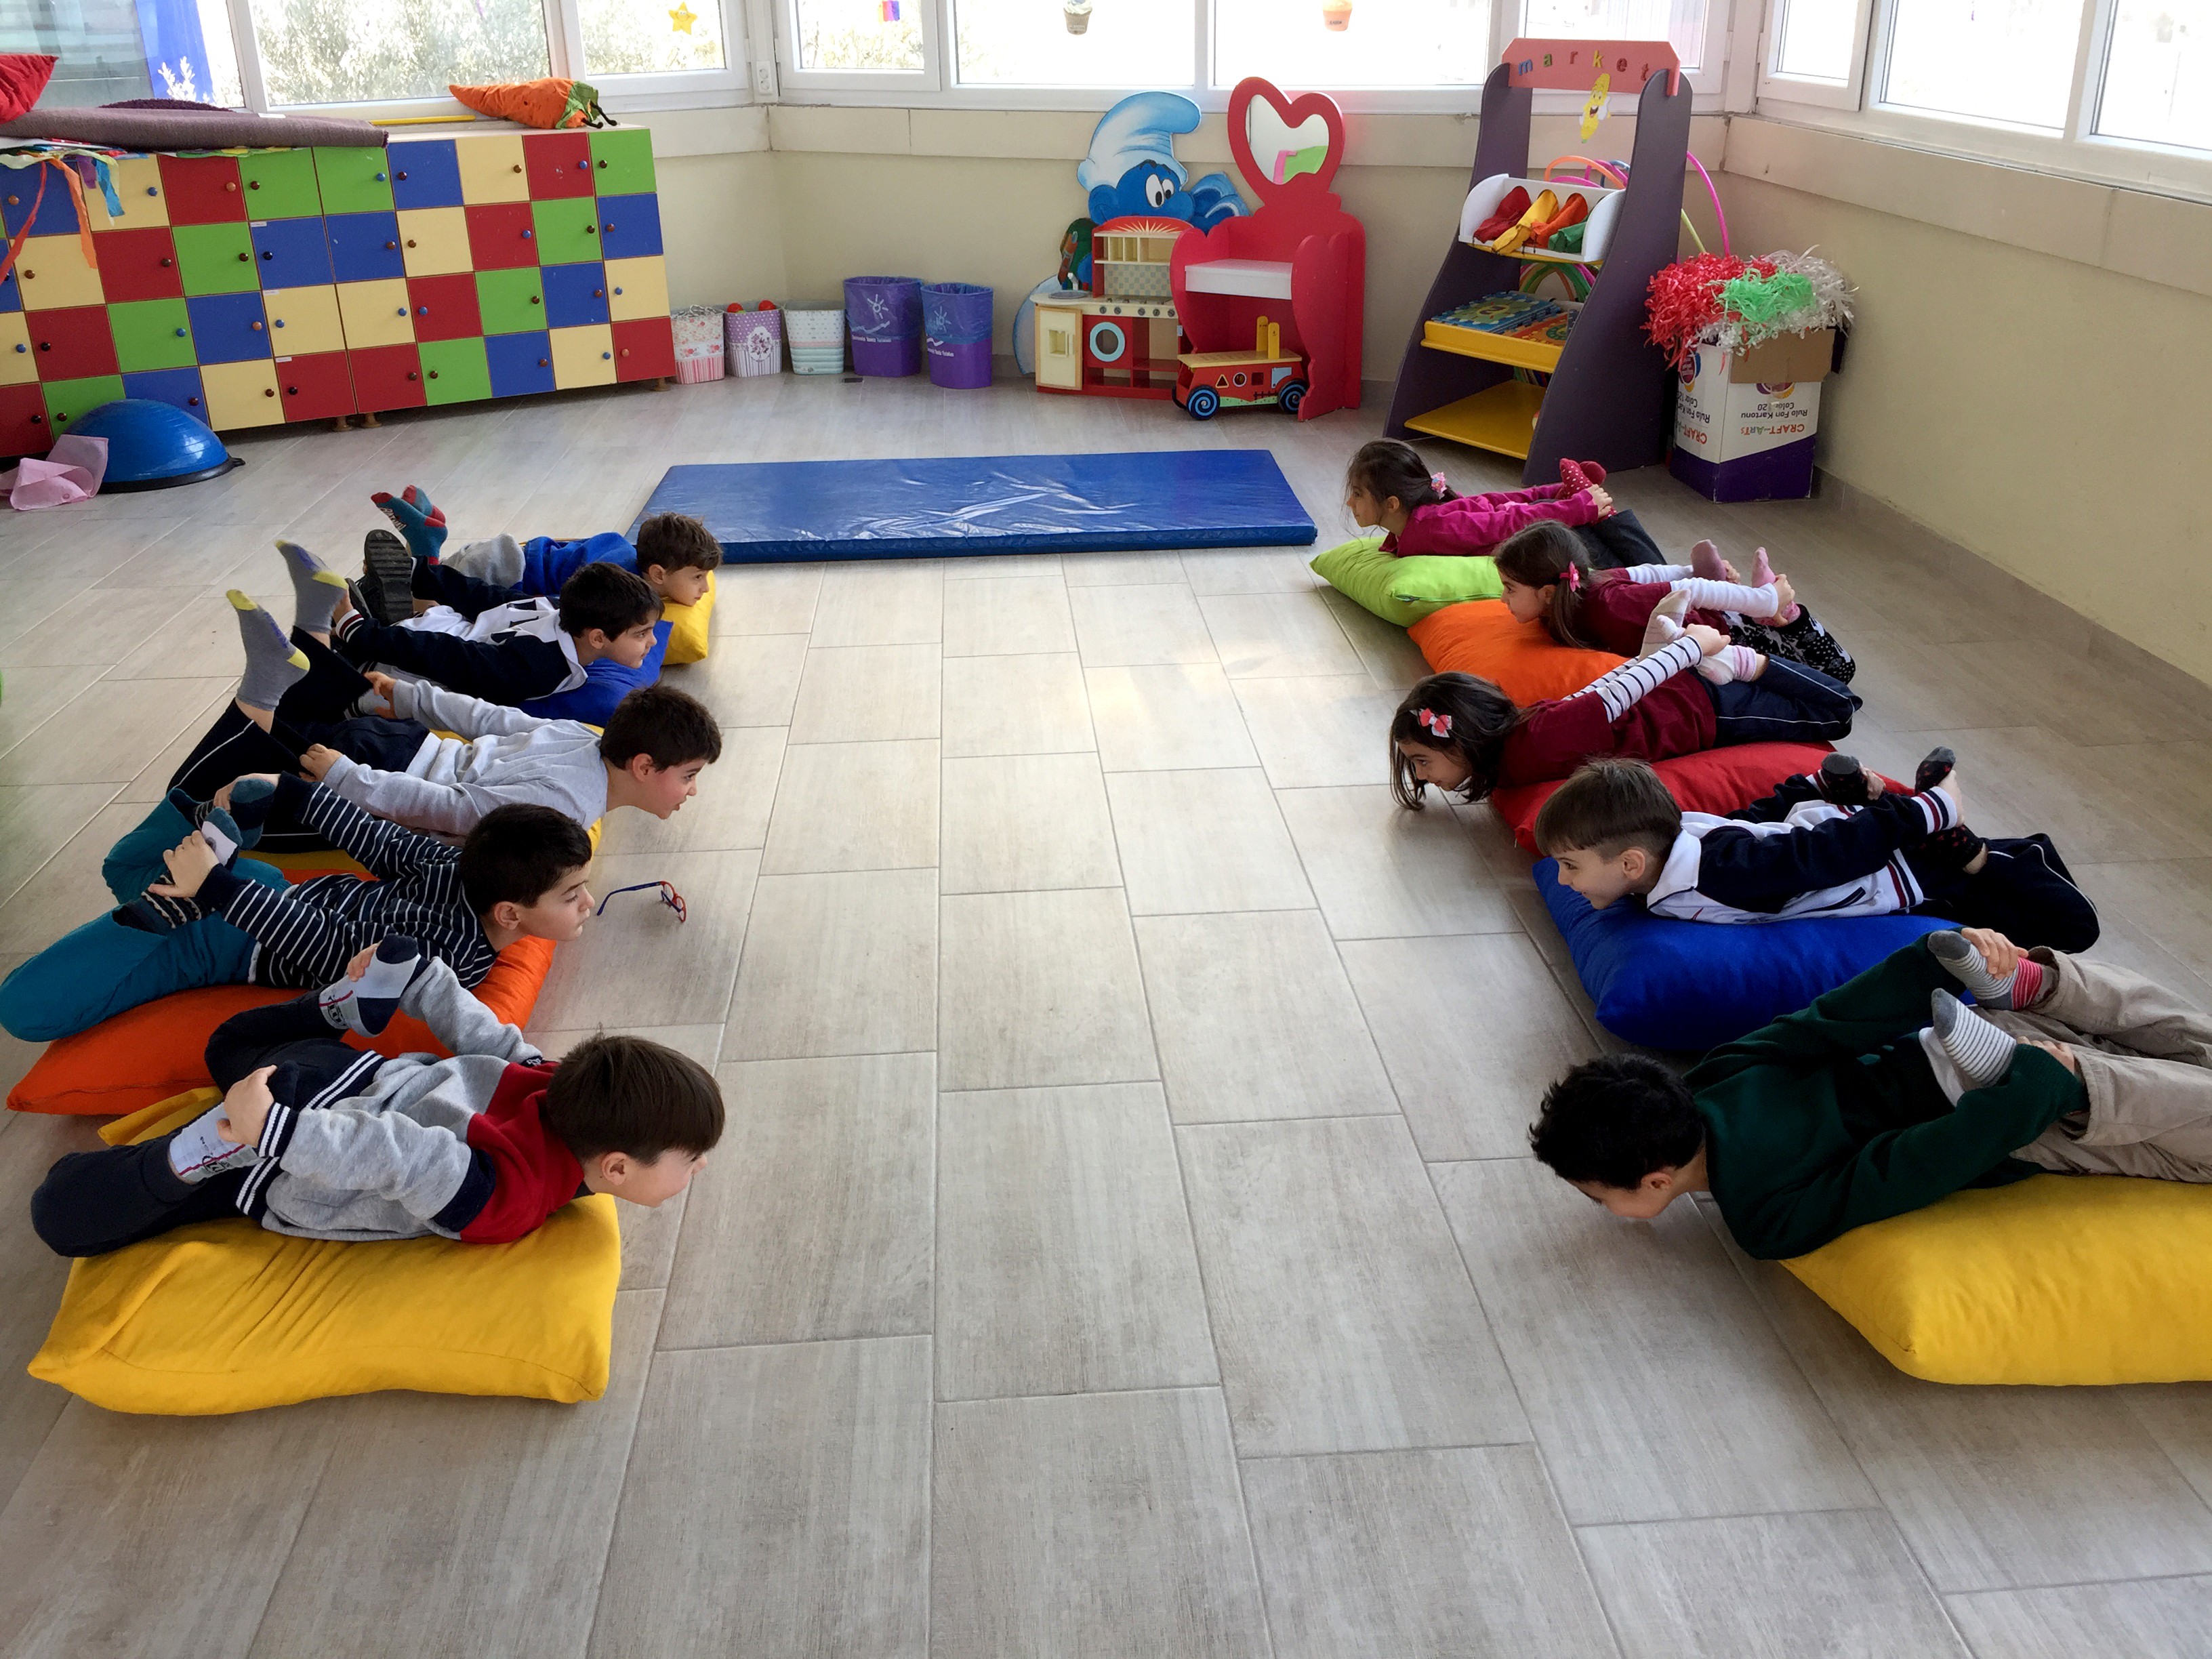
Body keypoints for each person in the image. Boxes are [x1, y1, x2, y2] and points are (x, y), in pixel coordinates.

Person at [1528, 928, 2212, 1260]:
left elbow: (1902, 1168)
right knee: (2188, 1037)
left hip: (2023, 1108)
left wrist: (2027, 1095)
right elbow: (1826, 1024)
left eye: (1601, 1196)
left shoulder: (1764, 1217)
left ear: (1655, 1180)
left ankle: (2071, 1077)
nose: (1605, 1208)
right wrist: (1927, 963)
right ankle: (2044, 988)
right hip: (1941, 1039)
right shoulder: (1713, 1077)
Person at [28, 939, 722, 1257]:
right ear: (617, 1168)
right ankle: (193, 1157)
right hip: (288, 1150)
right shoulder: (510, 1196)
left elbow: (486, 1033)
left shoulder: (560, 1081)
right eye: (689, 1160)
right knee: (66, 1218)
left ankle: (337, 1009)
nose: (698, 1169)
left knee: (229, 1046)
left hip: (338, 1069)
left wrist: (422, 979)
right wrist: (273, 1131)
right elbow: (397, 1155)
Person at [0, 777, 594, 1042]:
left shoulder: (459, 865)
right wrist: (216, 889)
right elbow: (327, 942)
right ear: (509, 914)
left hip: (262, 889)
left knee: (121, 868)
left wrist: (291, 793)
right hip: (235, 933)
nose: (588, 903)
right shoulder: (454, 959)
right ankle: (166, 906)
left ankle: (209, 844)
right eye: (573, 895)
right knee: (23, 1011)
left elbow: (378, 844)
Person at [168, 592, 721, 843]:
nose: (692, 791)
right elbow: (447, 808)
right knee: (196, 796)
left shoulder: (584, 736)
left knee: (299, 726)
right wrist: (347, 779)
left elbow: (486, 717)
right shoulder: (563, 811)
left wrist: (411, 699)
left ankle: (311, 639)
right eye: (689, 776)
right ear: (644, 765)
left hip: (405, 740)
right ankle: (262, 690)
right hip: (383, 774)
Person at [1531, 754, 2100, 951]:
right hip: (1875, 850)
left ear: (1630, 863)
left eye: (1571, 866)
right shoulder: (1675, 846)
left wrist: (1928, 810)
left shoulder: (1720, 875)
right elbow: (1749, 821)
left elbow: (1823, 856)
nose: (1562, 881)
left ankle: (1967, 849)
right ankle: (1874, 805)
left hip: (1902, 875)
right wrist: (1808, 789)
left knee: (2073, 926)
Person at [1389, 633, 1860, 808]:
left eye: (1423, 761)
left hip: (1702, 709)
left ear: (1462, 736)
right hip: (1687, 701)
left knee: (1838, 710)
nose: (1421, 776)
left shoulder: (1535, 743)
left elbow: (1611, 697)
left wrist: (1687, 650)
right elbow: (1587, 695)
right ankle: (1727, 663)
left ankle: (1746, 662)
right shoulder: (1513, 754)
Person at [1490, 519, 1856, 683]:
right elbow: (1644, 572)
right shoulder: (1575, 595)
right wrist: (1685, 568)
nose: (1503, 599)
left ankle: (1787, 614)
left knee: (1839, 672)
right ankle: (1769, 611)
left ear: (1547, 592)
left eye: (1510, 589)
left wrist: (1764, 600)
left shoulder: (1611, 605)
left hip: (1724, 630)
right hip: (1714, 623)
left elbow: (1691, 591)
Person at [324, 547, 661, 710]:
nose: (653, 642)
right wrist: (362, 633)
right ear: (597, 638)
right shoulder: (540, 670)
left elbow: (484, 597)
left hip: (444, 631)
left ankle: (377, 614)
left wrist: (420, 573)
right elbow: (448, 657)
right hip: (396, 668)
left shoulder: (555, 607)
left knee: (452, 610)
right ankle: (352, 632)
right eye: (642, 633)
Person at [359, 485, 720, 621]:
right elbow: (563, 609)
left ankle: (424, 537)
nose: (704, 588)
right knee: (416, 595)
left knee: (427, 581)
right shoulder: (620, 582)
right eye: (697, 577)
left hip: (511, 554)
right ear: (658, 574)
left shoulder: (627, 551)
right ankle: (421, 545)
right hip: (503, 569)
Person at [1340, 437, 1667, 569]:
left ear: (1393, 503)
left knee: (1641, 568)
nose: (1349, 502)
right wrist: (1553, 495)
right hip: (1539, 527)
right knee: (1627, 554)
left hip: (1546, 540)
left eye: (1357, 494)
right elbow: (1490, 503)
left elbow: (1503, 520)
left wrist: (1574, 507)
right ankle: (1574, 496)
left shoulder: (1431, 529)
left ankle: (1588, 505)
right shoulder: (1419, 524)